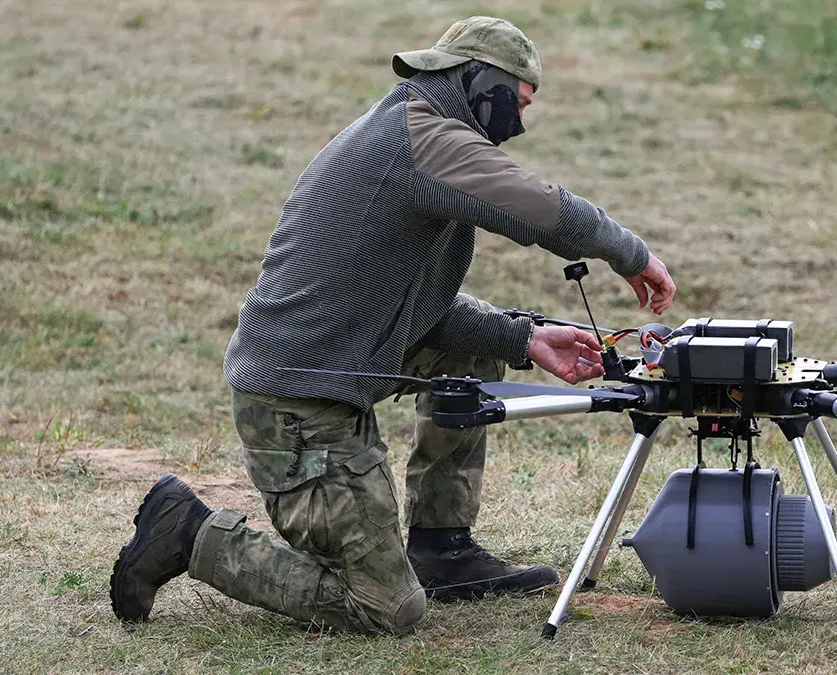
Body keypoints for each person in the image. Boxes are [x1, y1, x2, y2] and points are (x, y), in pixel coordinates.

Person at [109, 16, 677, 636]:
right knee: (386, 609)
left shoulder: (412, 128)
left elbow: (403, 301)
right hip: (297, 402)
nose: (519, 122)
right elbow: (542, 209)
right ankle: (188, 533)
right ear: (478, 83)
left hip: (340, 357)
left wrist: (524, 338)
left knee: (480, 347)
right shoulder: (423, 138)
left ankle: (442, 550)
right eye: (517, 102)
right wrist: (634, 255)